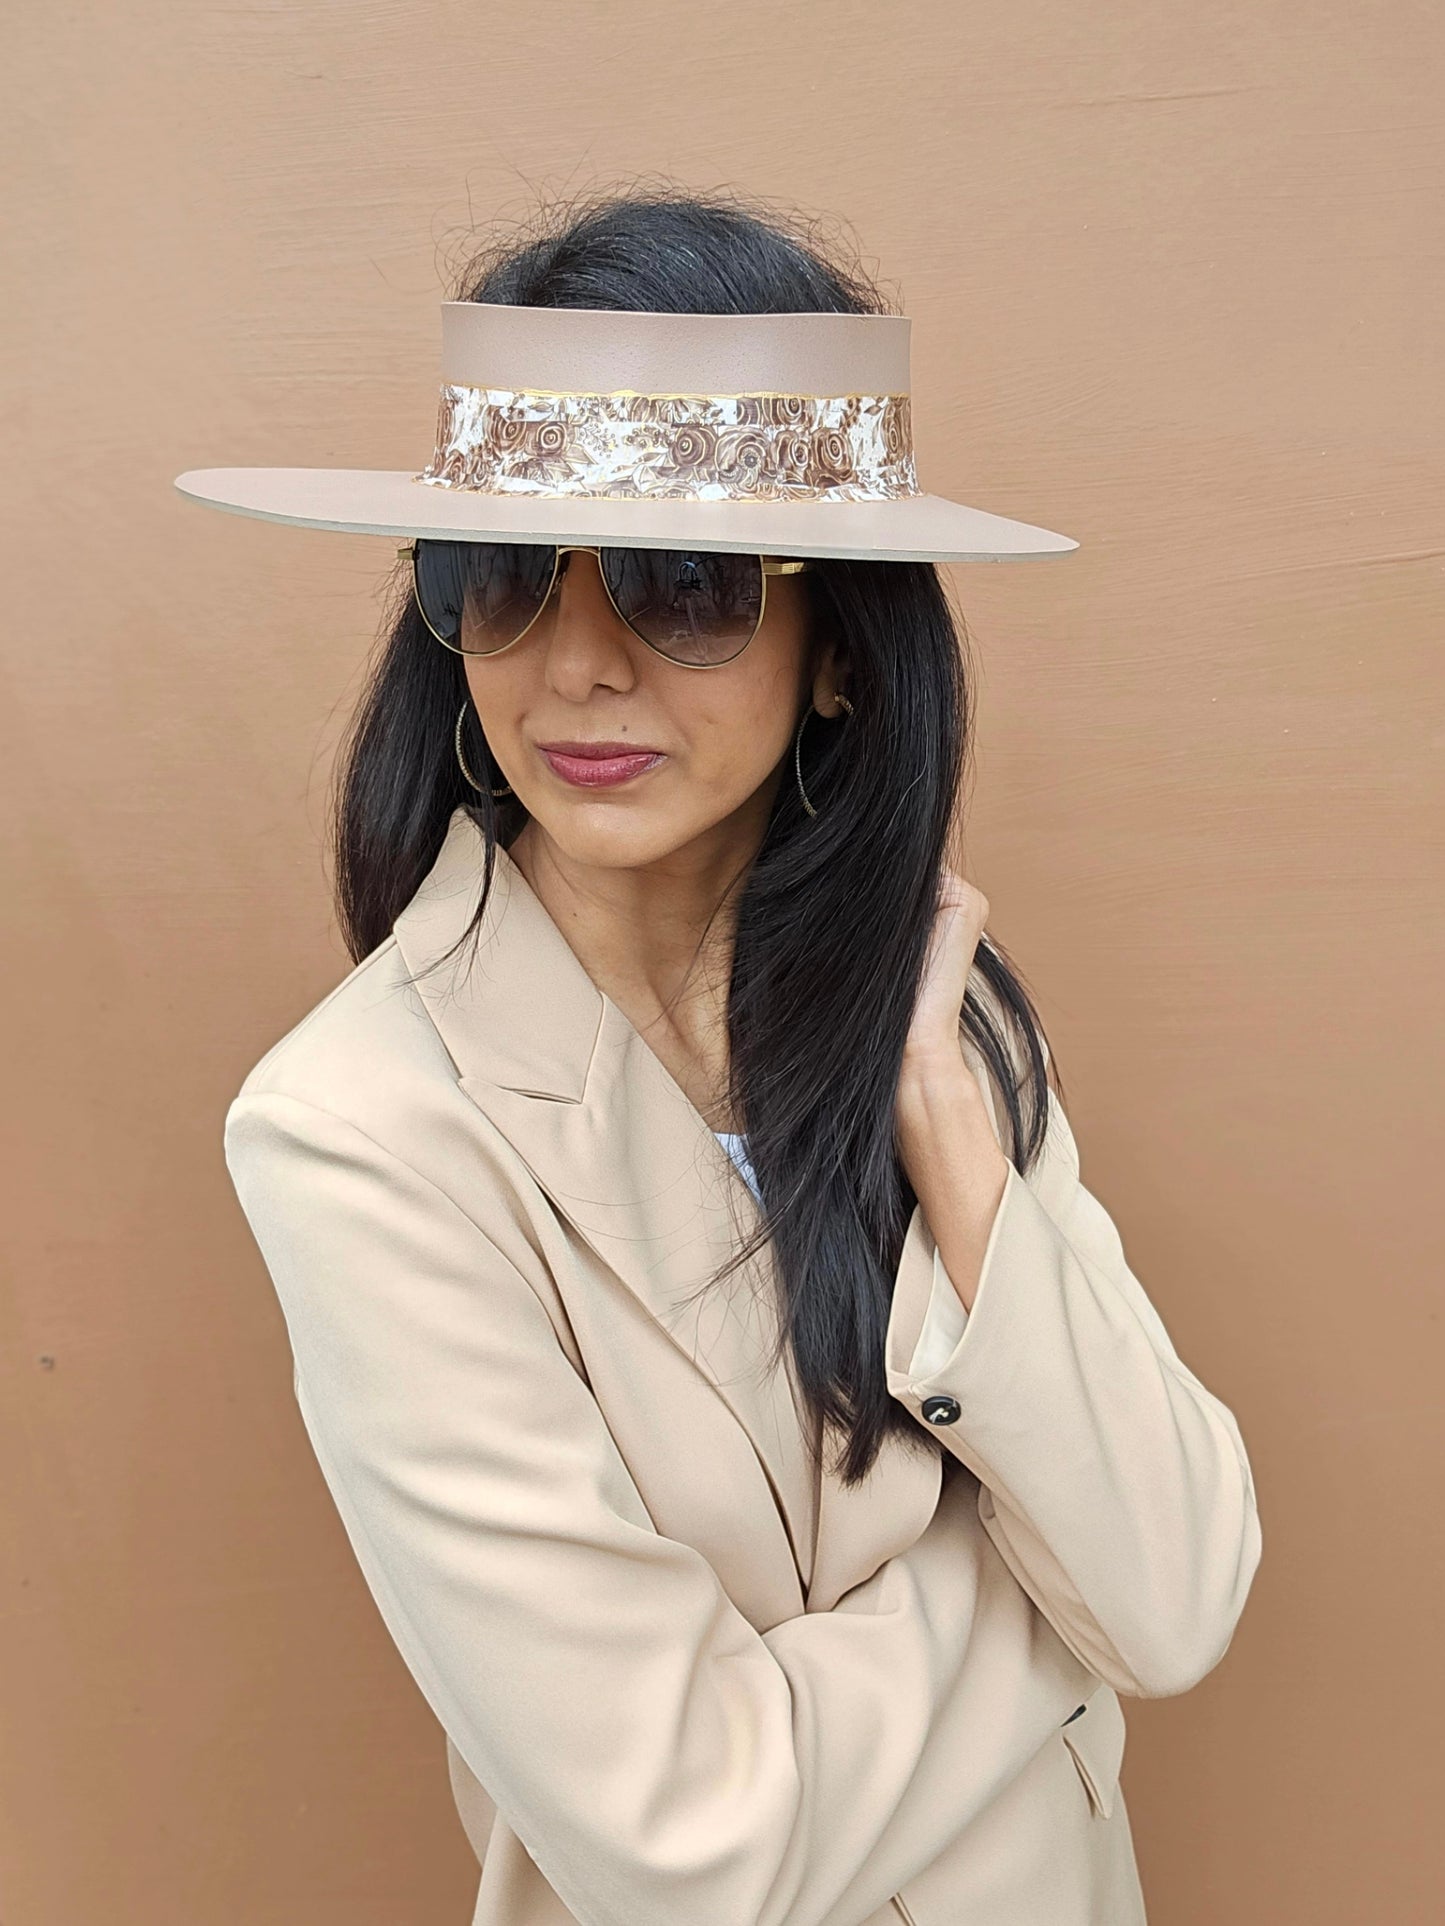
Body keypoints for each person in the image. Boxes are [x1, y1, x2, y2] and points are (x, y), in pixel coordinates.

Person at [178, 189, 1263, 1926]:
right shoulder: (360, 1128)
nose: (581, 660)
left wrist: (960, 1158)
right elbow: (694, 1840)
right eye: (505, 575)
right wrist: (1052, 1598)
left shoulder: (934, 1016)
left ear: (835, 647)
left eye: (684, 584)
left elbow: (1189, 1589)